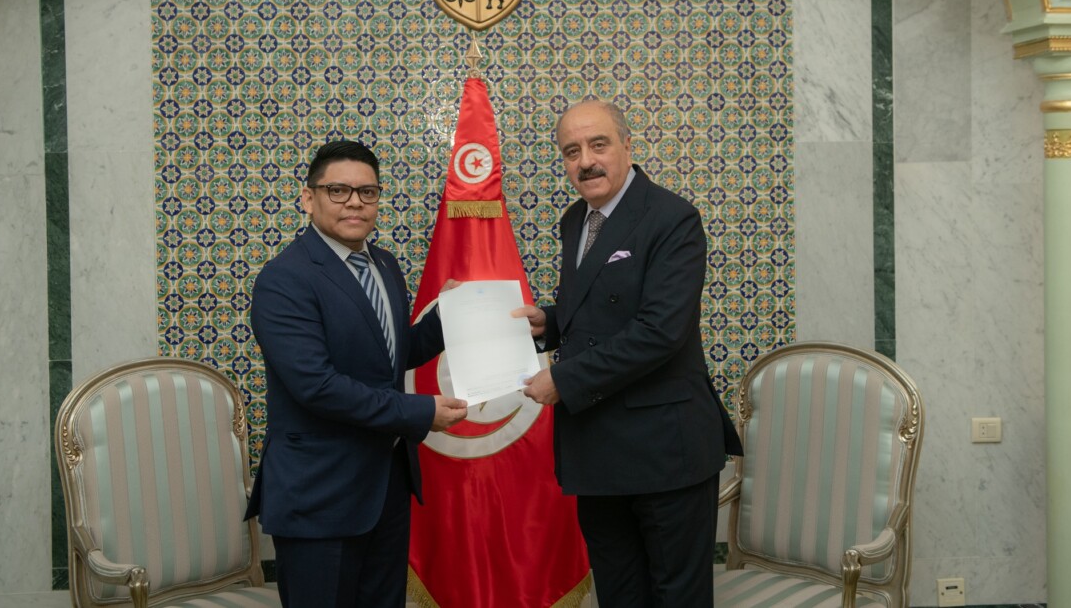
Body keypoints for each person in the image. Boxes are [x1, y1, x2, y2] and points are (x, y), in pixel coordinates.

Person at [516, 98, 742, 608]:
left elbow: (659, 331)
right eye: (571, 151)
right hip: (596, 447)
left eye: (598, 145)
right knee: (619, 595)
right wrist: (550, 322)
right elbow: (598, 309)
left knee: (675, 597)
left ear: (627, 146)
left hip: (664, 450)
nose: (586, 161)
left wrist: (564, 380)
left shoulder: (673, 218)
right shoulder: (576, 219)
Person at [246, 140, 468, 608]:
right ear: (308, 199)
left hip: (386, 486)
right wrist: (419, 411)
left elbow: (389, 358)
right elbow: (316, 386)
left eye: (367, 192)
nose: (354, 202)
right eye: (338, 190)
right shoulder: (284, 279)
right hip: (320, 493)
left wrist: (447, 316)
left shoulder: (384, 265)